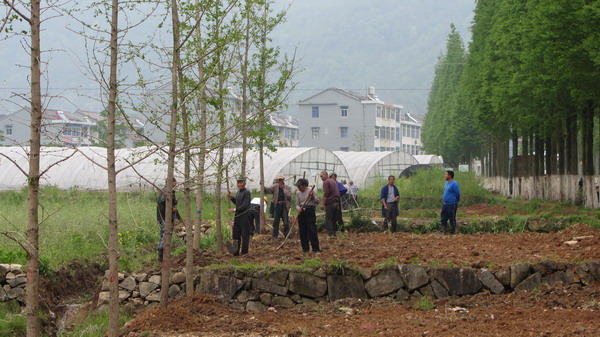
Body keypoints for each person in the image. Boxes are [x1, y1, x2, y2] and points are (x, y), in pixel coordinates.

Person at [156, 177, 182, 262]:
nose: (176, 185)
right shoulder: (167, 192)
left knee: (163, 236)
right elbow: (165, 202)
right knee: (165, 236)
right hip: (165, 218)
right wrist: (172, 209)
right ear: (172, 182)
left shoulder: (164, 190)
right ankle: (161, 257)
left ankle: (162, 256)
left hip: (162, 218)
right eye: (175, 183)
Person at [295, 178, 321, 253]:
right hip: (301, 212)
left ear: (304, 186)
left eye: (299, 186)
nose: (298, 188)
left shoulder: (311, 191)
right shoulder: (298, 193)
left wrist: (312, 196)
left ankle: (316, 249)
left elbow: (317, 202)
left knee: (312, 230)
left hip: (310, 211)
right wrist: (298, 209)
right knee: (302, 230)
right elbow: (297, 204)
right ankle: (305, 249)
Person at [228, 176, 252, 255]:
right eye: (238, 182)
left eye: (241, 182)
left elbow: (245, 206)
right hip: (237, 216)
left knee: (245, 235)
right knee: (236, 234)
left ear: (244, 183)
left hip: (244, 216)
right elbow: (237, 203)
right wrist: (232, 198)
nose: (239, 184)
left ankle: (244, 253)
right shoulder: (238, 192)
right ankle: (236, 252)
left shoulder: (247, 193)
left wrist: (234, 210)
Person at [440, 170, 460, 234]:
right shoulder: (446, 184)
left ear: (450, 176)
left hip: (452, 204)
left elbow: (458, 194)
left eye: (446, 174)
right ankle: (443, 229)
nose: (445, 176)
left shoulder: (454, 184)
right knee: (443, 217)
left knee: (452, 217)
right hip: (445, 204)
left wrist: (455, 201)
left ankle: (452, 231)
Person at [320, 170, 340, 237]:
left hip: (330, 202)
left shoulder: (326, 182)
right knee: (334, 218)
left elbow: (326, 194)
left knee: (328, 219)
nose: (321, 178)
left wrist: (322, 204)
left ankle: (331, 234)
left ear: (326, 175)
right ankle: (334, 233)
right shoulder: (333, 181)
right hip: (336, 201)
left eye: (321, 176)